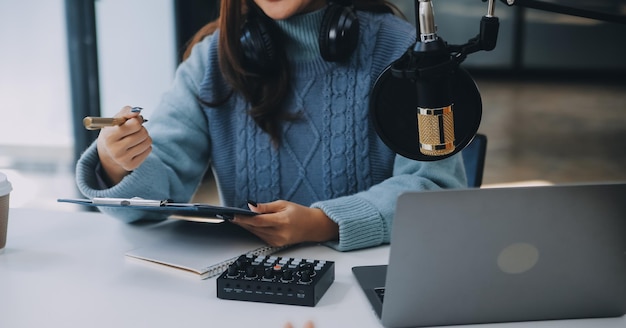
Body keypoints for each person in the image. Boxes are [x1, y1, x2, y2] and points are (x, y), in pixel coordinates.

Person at [75, 0, 467, 252]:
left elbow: (436, 189)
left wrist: (323, 223)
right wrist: (117, 163)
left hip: (368, 284)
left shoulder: (412, 54)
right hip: (253, 288)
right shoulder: (213, 58)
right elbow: (156, 191)